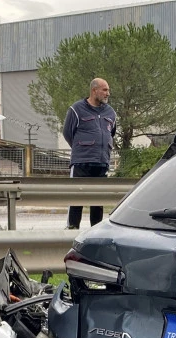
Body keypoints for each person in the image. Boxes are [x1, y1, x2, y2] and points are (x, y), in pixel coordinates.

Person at [62, 78, 117, 229]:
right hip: (81, 162)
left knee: (98, 202)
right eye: (104, 90)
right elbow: (67, 133)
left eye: (108, 90)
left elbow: (111, 133)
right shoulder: (76, 109)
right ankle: (72, 230)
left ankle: (96, 232)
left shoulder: (110, 112)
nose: (108, 93)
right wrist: (82, 149)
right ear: (94, 90)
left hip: (102, 163)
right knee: (76, 199)